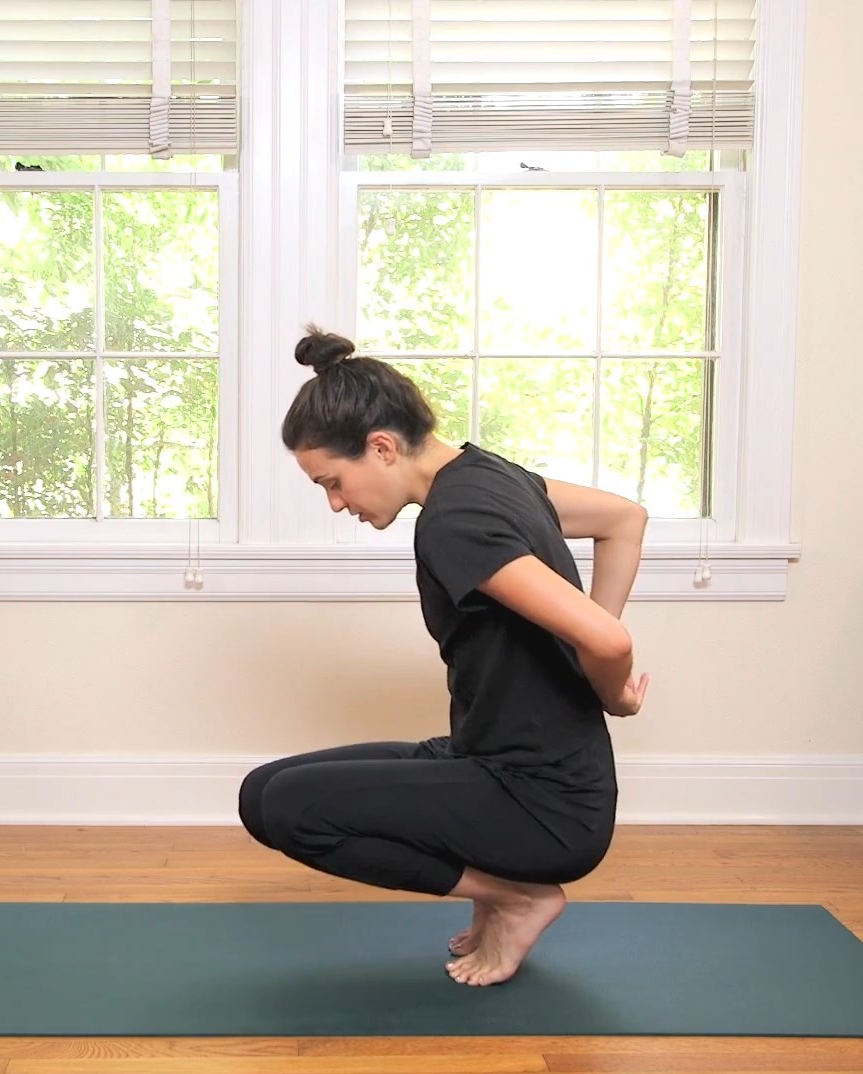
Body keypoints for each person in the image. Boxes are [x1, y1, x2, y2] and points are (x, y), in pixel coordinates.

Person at [238, 326, 649, 988]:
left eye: (333, 483)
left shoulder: (453, 521)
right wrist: (588, 654)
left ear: (381, 446)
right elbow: (624, 519)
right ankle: (504, 889)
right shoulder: (490, 474)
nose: (337, 503)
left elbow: (610, 641)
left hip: (542, 804)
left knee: (290, 810)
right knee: (263, 793)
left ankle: (516, 898)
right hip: (495, 761)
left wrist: (609, 690)